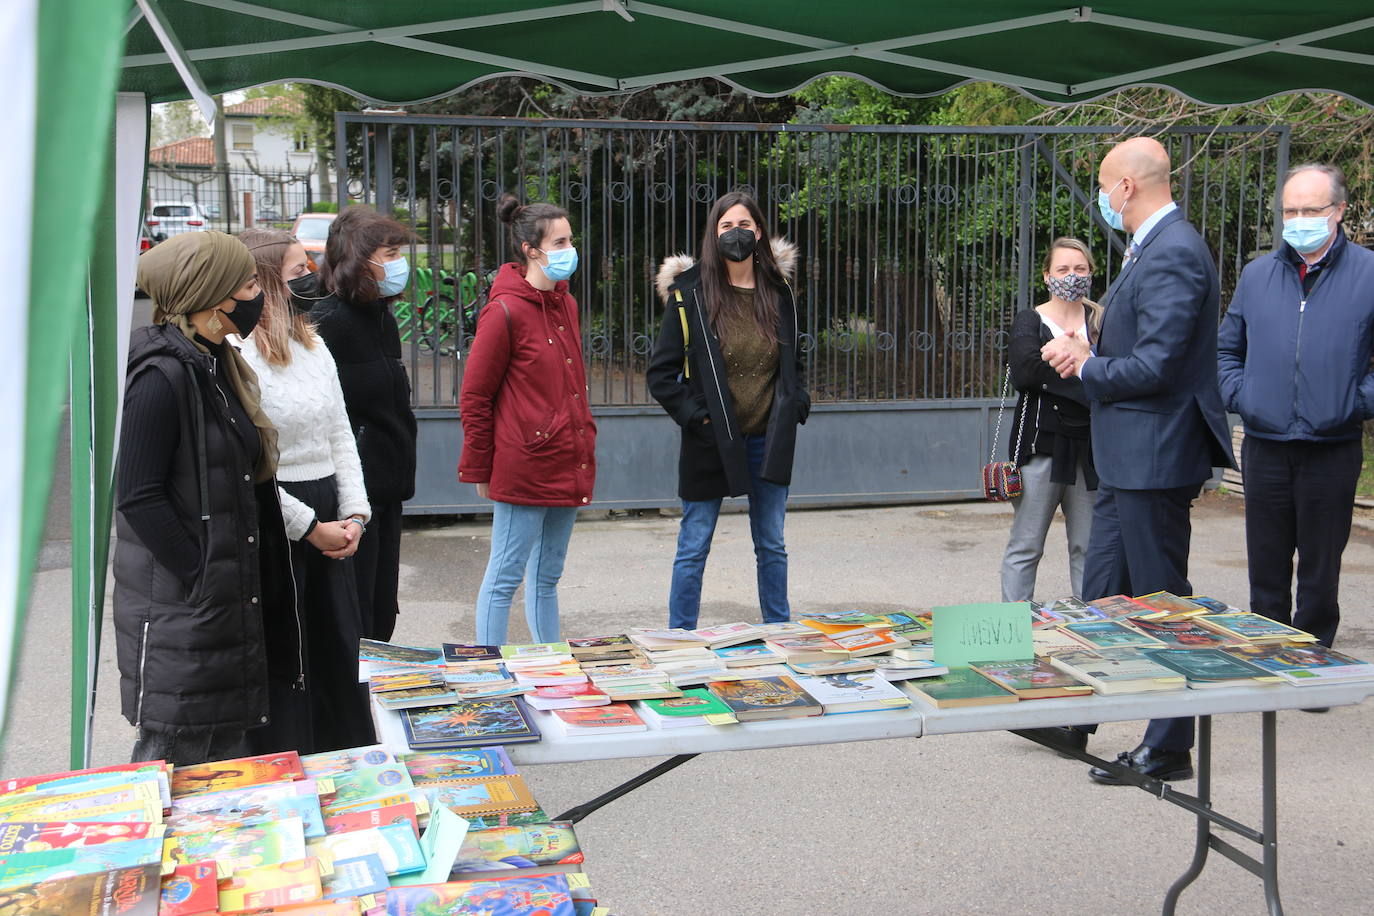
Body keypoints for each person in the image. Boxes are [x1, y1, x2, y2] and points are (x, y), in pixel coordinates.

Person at [1037, 137, 1235, 784]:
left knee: (1159, 603)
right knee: (1101, 594)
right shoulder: (1150, 247)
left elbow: (1156, 365)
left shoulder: (1175, 250)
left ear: (1126, 186)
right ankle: (1082, 711)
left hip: (1155, 455)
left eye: (1103, 185)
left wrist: (1089, 364)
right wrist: (1086, 345)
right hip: (1125, 456)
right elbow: (1139, 343)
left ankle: (1169, 744)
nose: (1102, 199)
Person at [114, 231, 301, 766]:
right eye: (245, 284)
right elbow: (138, 496)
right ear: (210, 296)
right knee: (173, 762)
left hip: (223, 600)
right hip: (188, 609)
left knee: (219, 767)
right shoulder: (161, 374)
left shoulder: (215, 363)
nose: (256, 294)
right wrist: (199, 573)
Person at [1217, 164, 1374, 671]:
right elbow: (1226, 351)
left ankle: (1311, 662)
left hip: (1332, 446)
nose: (1300, 219)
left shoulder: (1369, 274)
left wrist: (1353, 402)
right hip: (1265, 443)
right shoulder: (1258, 274)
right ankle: (1266, 655)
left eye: (1312, 210)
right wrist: (1245, 396)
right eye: (1291, 210)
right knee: (1265, 561)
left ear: (1340, 212)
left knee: (1320, 566)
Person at [238, 228, 377, 752]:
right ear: (267, 281)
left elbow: (341, 431)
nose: (311, 276)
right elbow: (248, 465)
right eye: (298, 270)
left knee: (338, 653)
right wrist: (309, 528)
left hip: (333, 514)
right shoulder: (240, 354)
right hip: (280, 519)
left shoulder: (313, 343)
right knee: (289, 660)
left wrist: (356, 515)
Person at [647, 191, 810, 630]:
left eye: (744, 225)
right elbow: (661, 375)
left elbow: (794, 359)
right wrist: (698, 418)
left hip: (767, 438)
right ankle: (681, 637)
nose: (735, 234)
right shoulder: (690, 294)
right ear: (713, 234)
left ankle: (779, 630)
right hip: (709, 441)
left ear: (759, 231)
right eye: (725, 226)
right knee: (694, 544)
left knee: (772, 543)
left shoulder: (780, 293)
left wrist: (797, 402)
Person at [457, 195, 596, 645]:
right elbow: (476, 395)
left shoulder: (565, 305)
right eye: (559, 242)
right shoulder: (504, 311)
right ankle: (490, 676)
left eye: (570, 239)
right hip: (524, 463)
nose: (569, 249)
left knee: (548, 577)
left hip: (565, 459)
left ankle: (553, 666)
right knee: (504, 578)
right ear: (530, 250)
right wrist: (479, 466)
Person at [313, 206, 418, 642]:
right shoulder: (329, 323)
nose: (399, 264)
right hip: (351, 501)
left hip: (388, 491)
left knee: (380, 616)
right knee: (355, 620)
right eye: (389, 253)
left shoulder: (380, 316)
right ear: (359, 260)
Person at [999, 238, 1101, 602]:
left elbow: (1120, 371)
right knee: (1026, 545)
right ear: (1047, 275)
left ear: (1090, 272)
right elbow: (1025, 373)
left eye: (1079, 269)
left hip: (1091, 453)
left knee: (1089, 548)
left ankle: (1092, 627)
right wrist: (1087, 378)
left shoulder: (1101, 320)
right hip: (1040, 450)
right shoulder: (1031, 319)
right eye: (1062, 269)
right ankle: (1012, 627)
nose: (1071, 277)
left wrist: (1057, 368)